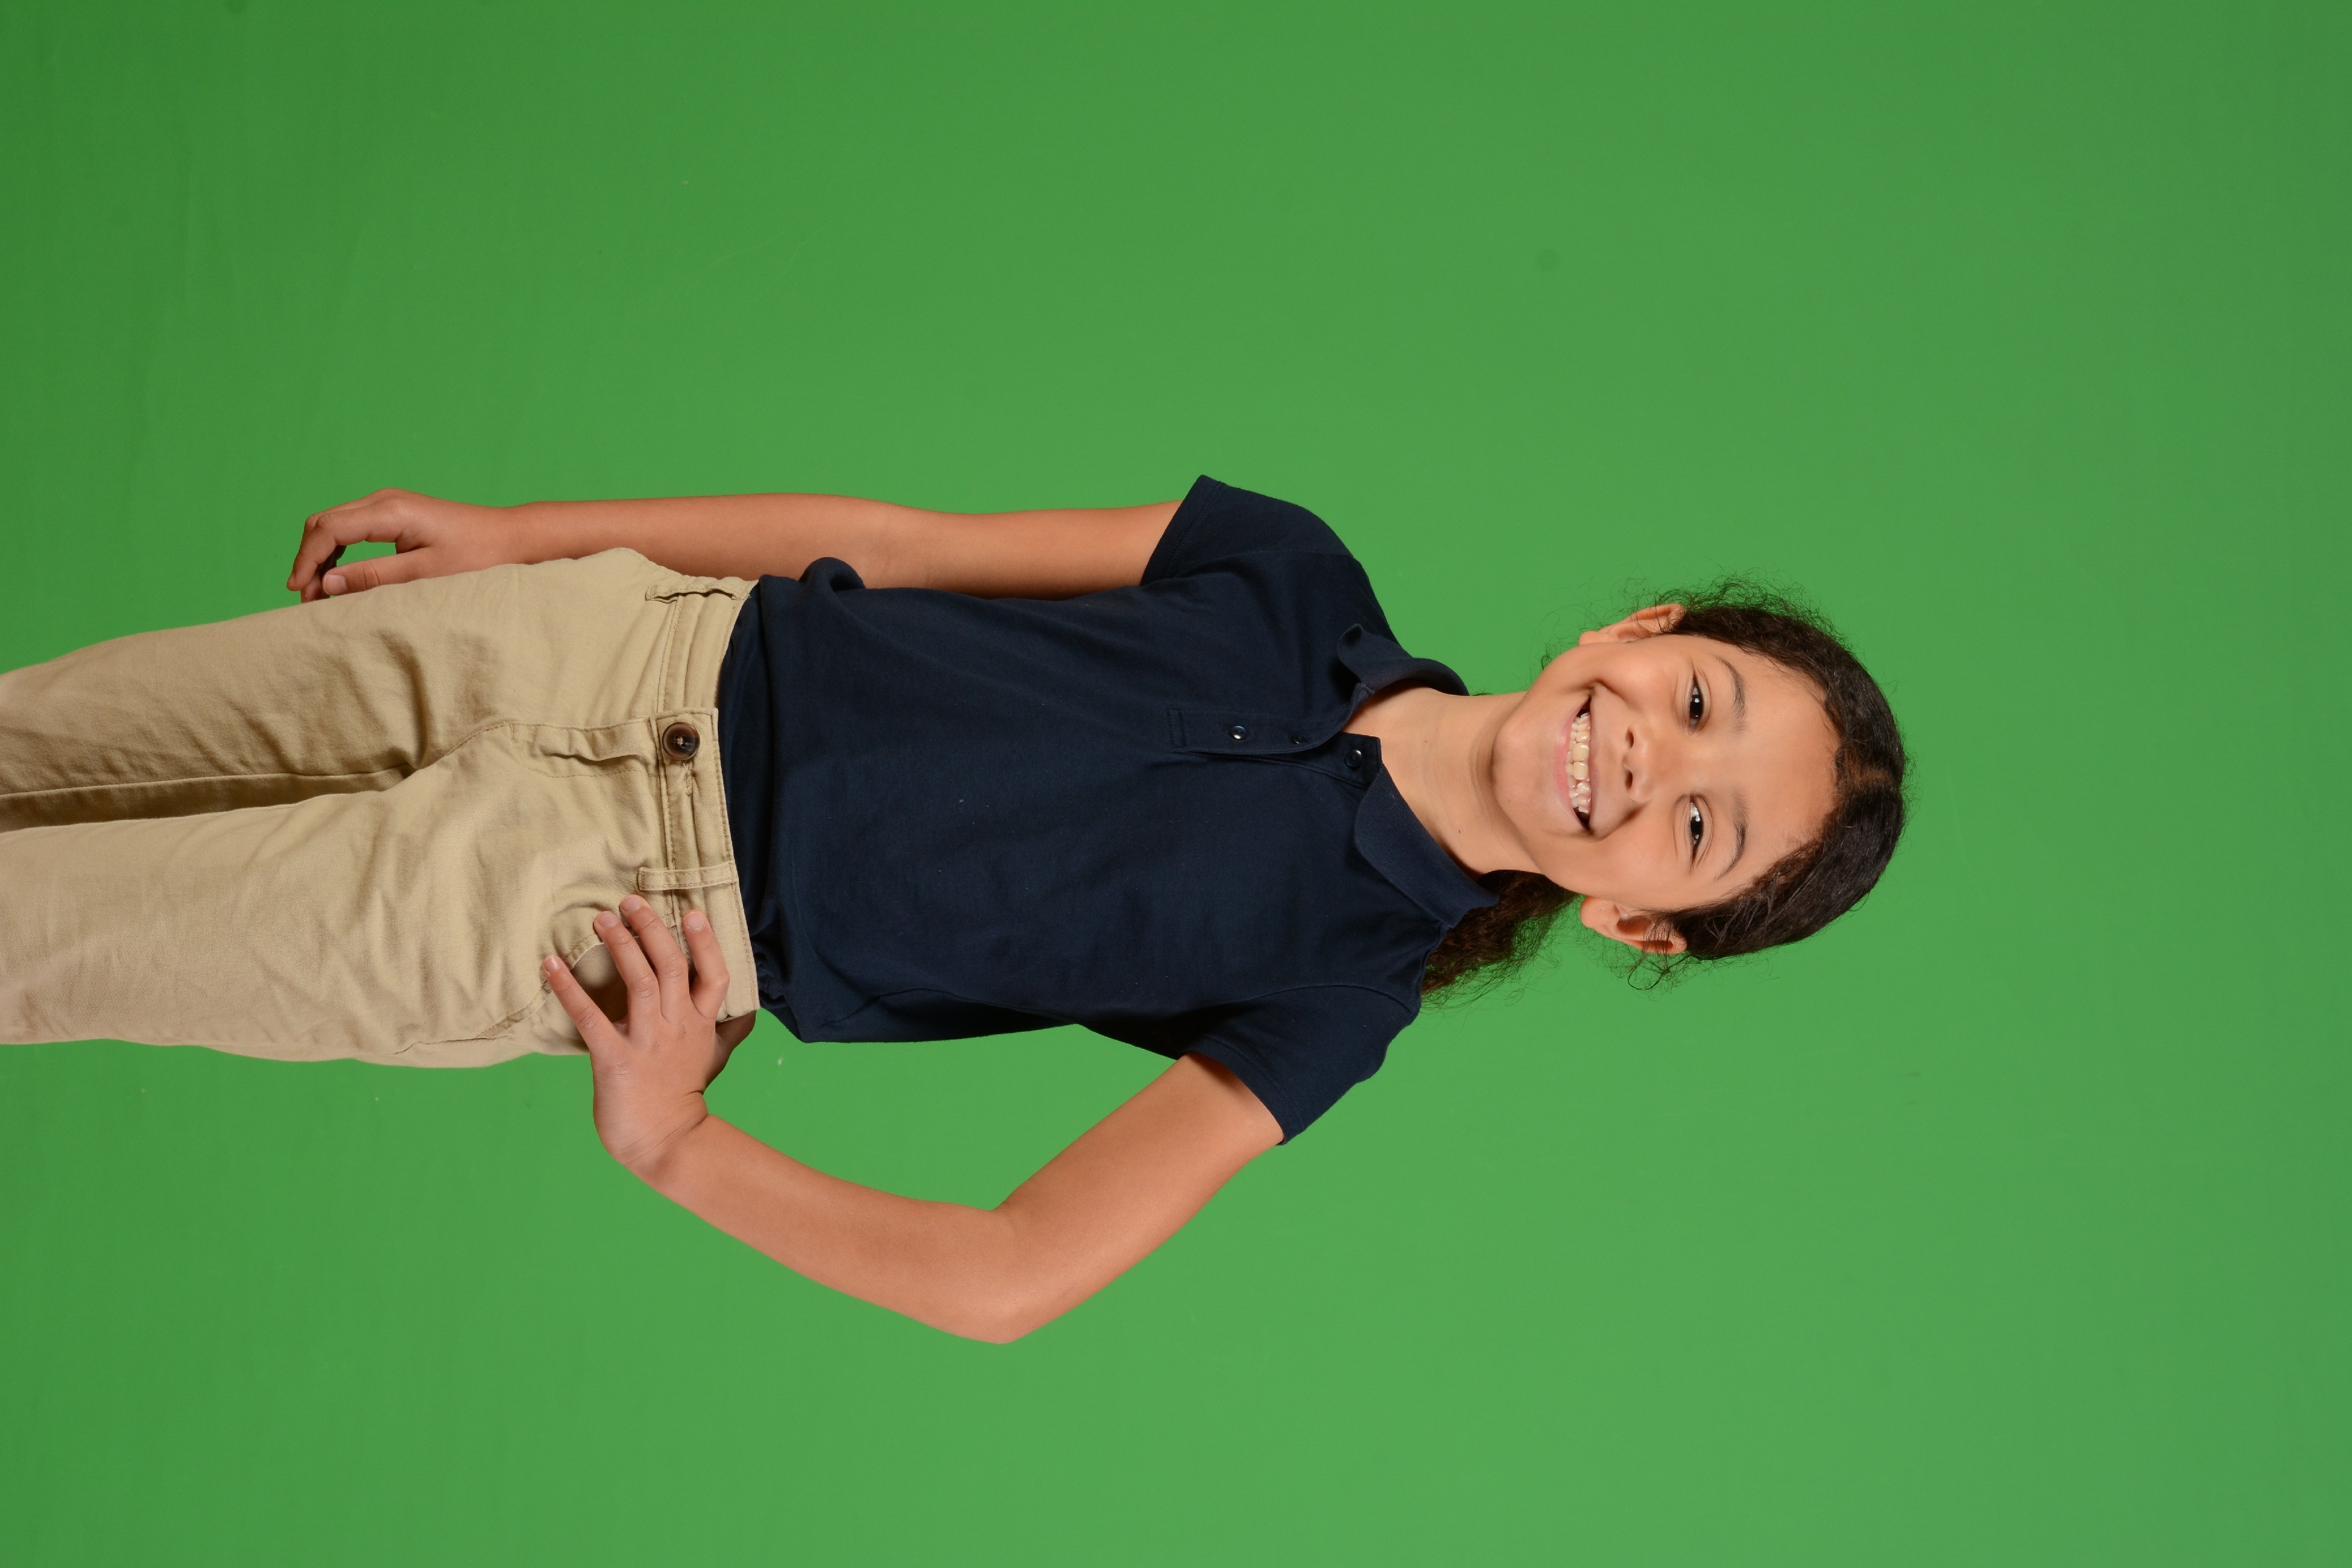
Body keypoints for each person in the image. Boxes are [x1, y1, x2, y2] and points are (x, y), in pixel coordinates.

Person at [0, 477, 1906, 1341]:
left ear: (1640, 926)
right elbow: (895, 544)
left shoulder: (1333, 995)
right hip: (598, 640)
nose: (1647, 761)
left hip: (592, 904)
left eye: (1698, 828)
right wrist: (528, 537)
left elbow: (1008, 1276)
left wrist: (674, 1144)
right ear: (1638, 630)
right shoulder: (1287, 567)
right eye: (1695, 702)